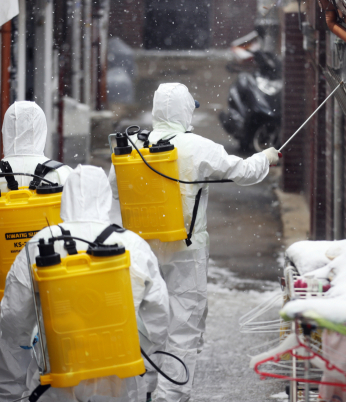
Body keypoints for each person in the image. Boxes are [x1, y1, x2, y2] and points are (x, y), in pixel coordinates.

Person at [108, 83, 279, 401]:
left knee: (145, 318)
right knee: (184, 321)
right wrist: (266, 158)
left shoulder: (132, 147)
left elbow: (112, 194)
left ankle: (143, 386)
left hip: (141, 249)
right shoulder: (197, 147)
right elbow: (241, 172)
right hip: (185, 249)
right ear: (185, 110)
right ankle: (170, 394)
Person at [0, 165, 170, 401]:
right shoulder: (132, 243)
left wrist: (25, 345)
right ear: (105, 197)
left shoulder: (39, 243)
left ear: (65, 196)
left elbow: (14, 311)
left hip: (59, 368)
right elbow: (158, 312)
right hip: (118, 370)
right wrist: (149, 368)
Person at [0, 101, 73, 402]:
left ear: (6, 131)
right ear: (43, 131)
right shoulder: (64, 176)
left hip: (1, 293)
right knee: (55, 377)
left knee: (5, 383)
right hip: (55, 291)